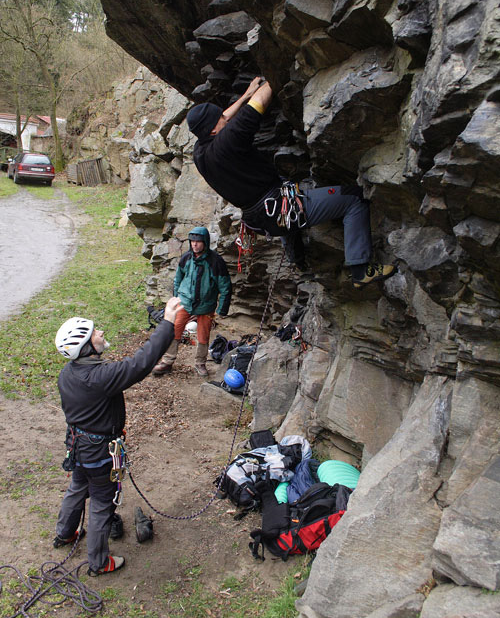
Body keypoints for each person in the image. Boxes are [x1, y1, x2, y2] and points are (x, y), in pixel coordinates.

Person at [186, 77, 396, 288]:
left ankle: (297, 259)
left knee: (285, 198)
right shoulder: (228, 141)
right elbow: (256, 107)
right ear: (214, 130)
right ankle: (360, 269)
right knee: (355, 198)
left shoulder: (200, 153)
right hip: (279, 210)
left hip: (259, 219)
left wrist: (245, 95)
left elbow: (223, 118)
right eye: (221, 119)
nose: (226, 119)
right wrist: (270, 77)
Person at [53, 296, 181, 576]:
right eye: (94, 333)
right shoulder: (100, 377)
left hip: (77, 448)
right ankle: (99, 563)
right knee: (101, 504)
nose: (100, 333)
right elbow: (140, 363)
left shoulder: (67, 374)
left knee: (77, 488)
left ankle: (65, 533)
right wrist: (168, 322)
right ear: (86, 347)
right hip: (100, 455)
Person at [152, 226, 232, 378]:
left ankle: (200, 363)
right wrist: (175, 298)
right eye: (192, 241)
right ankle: (167, 362)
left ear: (205, 242)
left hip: (206, 305)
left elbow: (225, 286)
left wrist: (222, 308)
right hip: (185, 302)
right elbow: (178, 279)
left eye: (198, 241)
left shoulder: (216, 262)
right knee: (174, 330)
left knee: (203, 335)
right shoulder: (187, 258)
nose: (195, 244)